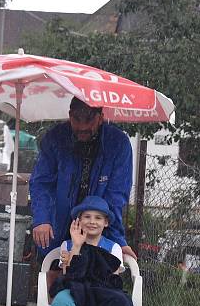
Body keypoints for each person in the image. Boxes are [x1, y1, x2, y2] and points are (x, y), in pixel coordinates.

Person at [29, 96, 135, 261]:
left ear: (101, 118)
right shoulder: (55, 138)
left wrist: (117, 239)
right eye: (77, 120)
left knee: (95, 276)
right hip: (56, 226)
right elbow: (41, 183)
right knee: (52, 273)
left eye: (89, 120)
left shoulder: (118, 143)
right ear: (70, 115)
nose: (83, 126)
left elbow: (116, 196)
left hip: (96, 229)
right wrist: (42, 218)